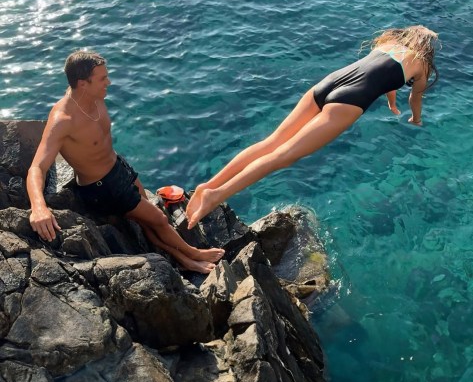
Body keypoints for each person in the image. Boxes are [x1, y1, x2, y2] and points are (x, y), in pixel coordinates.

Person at [186, 25, 439, 229]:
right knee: (282, 156)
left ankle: (207, 186)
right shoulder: (422, 64)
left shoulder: (388, 45)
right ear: (426, 48)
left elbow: (384, 77)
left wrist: (391, 103)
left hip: (328, 83)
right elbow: (414, 97)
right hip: (350, 101)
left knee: (271, 143)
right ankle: (216, 195)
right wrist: (415, 118)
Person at [27, 51, 224, 274]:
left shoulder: (92, 97)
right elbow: (37, 167)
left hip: (118, 167)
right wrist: (38, 207)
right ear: (83, 84)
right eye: (102, 78)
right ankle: (192, 254)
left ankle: (182, 258)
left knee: (147, 218)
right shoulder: (63, 121)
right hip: (102, 188)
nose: (109, 82)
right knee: (158, 218)